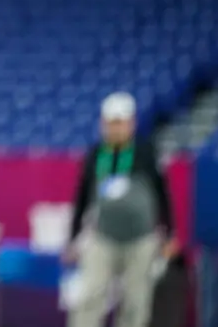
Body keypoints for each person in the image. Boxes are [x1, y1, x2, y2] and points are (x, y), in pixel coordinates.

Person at [65, 92, 179, 327]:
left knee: (136, 301)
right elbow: (82, 196)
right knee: (90, 296)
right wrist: (72, 237)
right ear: (103, 124)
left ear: (131, 123)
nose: (115, 128)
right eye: (111, 123)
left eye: (120, 122)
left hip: (141, 239)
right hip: (103, 237)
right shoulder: (96, 154)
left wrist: (169, 233)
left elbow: (162, 194)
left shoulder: (146, 153)